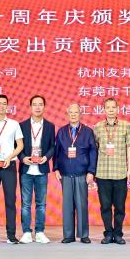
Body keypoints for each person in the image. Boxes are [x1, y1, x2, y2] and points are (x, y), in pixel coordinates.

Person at [53, 103, 97, 243]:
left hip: (82, 173)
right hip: (65, 173)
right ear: (67, 114)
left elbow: (93, 152)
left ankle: (84, 235)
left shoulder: (87, 131)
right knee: (67, 206)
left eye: (76, 112)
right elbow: (56, 151)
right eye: (70, 112)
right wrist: (56, 168)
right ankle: (68, 235)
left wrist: (91, 171)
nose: (73, 115)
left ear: (80, 114)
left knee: (82, 205)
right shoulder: (62, 131)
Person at [94, 98, 130, 245]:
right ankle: (108, 233)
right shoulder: (98, 127)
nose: (111, 110)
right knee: (105, 207)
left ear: (118, 109)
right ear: (104, 110)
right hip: (102, 173)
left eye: (113, 107)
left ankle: (118, 234)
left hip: (120, 173)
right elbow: (94, 150)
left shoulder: (126, 126)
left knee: (120, 207)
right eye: (108, 107)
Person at [0, 94, 24, 245]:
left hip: (9, 165)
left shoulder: (14, 124)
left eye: (4, 103)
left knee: (10, 201)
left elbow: (20, 145)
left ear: (7, 106)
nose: (1, 106)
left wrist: (10, 157)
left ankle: (11, 235)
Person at [18, 95, 56, 244]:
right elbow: (17, 146)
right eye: (35, 104)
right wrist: (22, 158)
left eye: (40, 104)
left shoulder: (50, 126)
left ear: (44, 107)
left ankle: (40, 232)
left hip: (41, 170)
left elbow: (52, 146)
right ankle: (26, 232)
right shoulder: (22, 126)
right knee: (26, 204)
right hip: (26, 170)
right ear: (30, 107)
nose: (38, 107)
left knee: (41, 204)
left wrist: (46, 157)